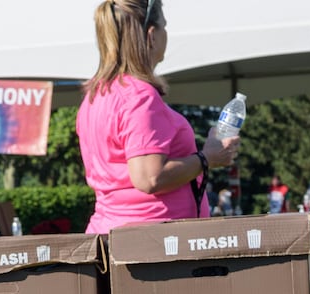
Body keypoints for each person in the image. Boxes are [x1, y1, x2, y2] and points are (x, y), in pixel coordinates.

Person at [75, 0, 239, 233]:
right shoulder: (139, 96)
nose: (166, 34)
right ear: (151, 35)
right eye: (164, 26)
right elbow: (149, 178)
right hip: (152, 247)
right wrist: (208, 157)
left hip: (116, 235)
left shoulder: (96, 96)